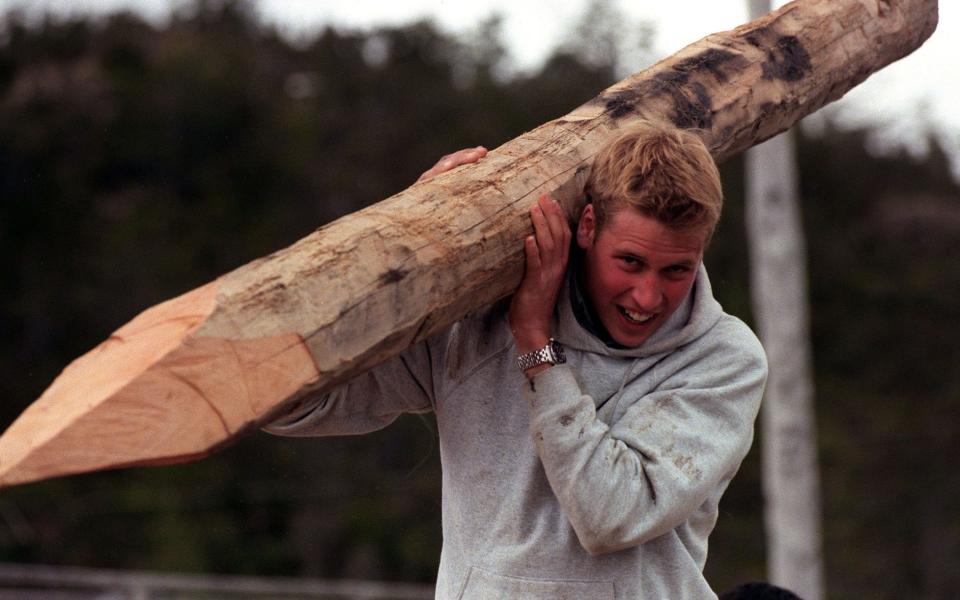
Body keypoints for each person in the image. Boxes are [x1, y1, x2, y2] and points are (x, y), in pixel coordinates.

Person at [266, 121, 767, 599]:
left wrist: (535, 344)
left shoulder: (723, 359)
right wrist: (399, 241)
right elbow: (289, 402)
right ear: (588, 227)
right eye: (630, 262)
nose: (647, 296)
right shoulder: (477, 319)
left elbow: (611, 514)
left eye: (676, 270)